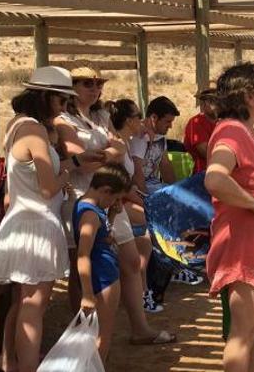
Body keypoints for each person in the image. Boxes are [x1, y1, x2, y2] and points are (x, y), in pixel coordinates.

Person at [0, 66, 103, 372]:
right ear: (46, 98)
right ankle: (27, 364)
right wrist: (67, 172)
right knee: (35, 305)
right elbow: (47, 186)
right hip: (37, 225)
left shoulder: (17, 125)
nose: (64, 107)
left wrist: (73, 161)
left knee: (22, 300)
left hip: (21, 222)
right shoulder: (35, 131)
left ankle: (10, 360)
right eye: (61, 100)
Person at [204, 62, 254, 372]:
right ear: (250, 95)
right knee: (244, 330)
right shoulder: (232, 131)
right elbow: (215, 178)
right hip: (245, 245)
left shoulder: (246, 131)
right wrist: (252, 203)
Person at [55, 66, 125, 312]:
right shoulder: (63, 120)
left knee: (112, 255)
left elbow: (121, 148)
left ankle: (102, 317)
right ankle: (81, 320)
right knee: (80, 263)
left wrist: (99, 156)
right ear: (71, 87)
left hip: (106, 196)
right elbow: (79, 160)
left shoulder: (101, 116)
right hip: (78, 197)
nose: (95, 89)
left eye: (98, 84)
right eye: (87, 83)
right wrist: (109, 154)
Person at [105, 99, 175, 341]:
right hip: (115, 206)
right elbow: (124, 181)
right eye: (137, 116)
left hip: (119, 204)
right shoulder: (123, 145)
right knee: (146, 236)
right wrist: (144, 200)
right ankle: (149, 293)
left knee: (140, 250)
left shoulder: (125, 142)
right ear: (128, 120)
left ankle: (146, 296)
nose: (141, 120)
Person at [130, 96, 202, 307]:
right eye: (167, 122)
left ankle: (177, 263)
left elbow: (165, 166)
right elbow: (137, 173)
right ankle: (172, 267)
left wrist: (179, 192)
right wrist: (151, 201)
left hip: (154, 187)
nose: (171, 126)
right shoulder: (140, 139)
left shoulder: (158, 137)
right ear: (153, 118)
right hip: (141, 191)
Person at [74, 164, 131, 362]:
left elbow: (101, 236)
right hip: (103, 279)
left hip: (103, 275)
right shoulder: (91, 215)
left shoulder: (90, 207)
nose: (115, 203)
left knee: (98, 335)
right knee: (102, 337)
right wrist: (88, 293)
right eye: (115, 198)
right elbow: (83, 254)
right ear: (106, 190)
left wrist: (113, 215)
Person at [184, 88, 218, 175]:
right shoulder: (196, 122)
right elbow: (206, 153)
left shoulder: (223, 121)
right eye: (211, 101)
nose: (217, 104)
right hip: (202, 173)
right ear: (202, 104)